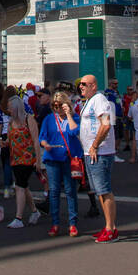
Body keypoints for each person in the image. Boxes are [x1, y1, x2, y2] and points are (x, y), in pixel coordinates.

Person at [74, 75, 118, 241]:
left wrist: (95, 145)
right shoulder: (89, 101)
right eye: (80, 85)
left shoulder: (99, 100)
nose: (81, 87)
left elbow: (106, 123)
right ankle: (108, 226)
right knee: (99, 191)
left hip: (100, 152)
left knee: (104, 190)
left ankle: (110, 228)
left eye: (84, 84)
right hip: (90, 152)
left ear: (93, 85)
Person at [37, 89, 82, 236]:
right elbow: (42, 137)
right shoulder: (49, 119)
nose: (57, 108)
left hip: (69, 159)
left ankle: (73, 223)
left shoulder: (75, 118)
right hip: (52, 158)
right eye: (55, 106)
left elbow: (74, 132)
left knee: (70, 191)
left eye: (60, 105)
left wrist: (68, 114)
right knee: (54, 192)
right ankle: (55, 223)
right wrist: (45, 144)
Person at [4, 94, 43, 227]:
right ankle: (34, 211)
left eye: (10, 108)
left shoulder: (29, 119)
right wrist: (3, 143)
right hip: (15, 157)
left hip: (27, 158)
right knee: (23, 186)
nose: (8, 110)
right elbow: (10, 140)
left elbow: (35, 140)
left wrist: (38, 160)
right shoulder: (11, 122)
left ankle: (18, 218)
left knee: (19, 186)